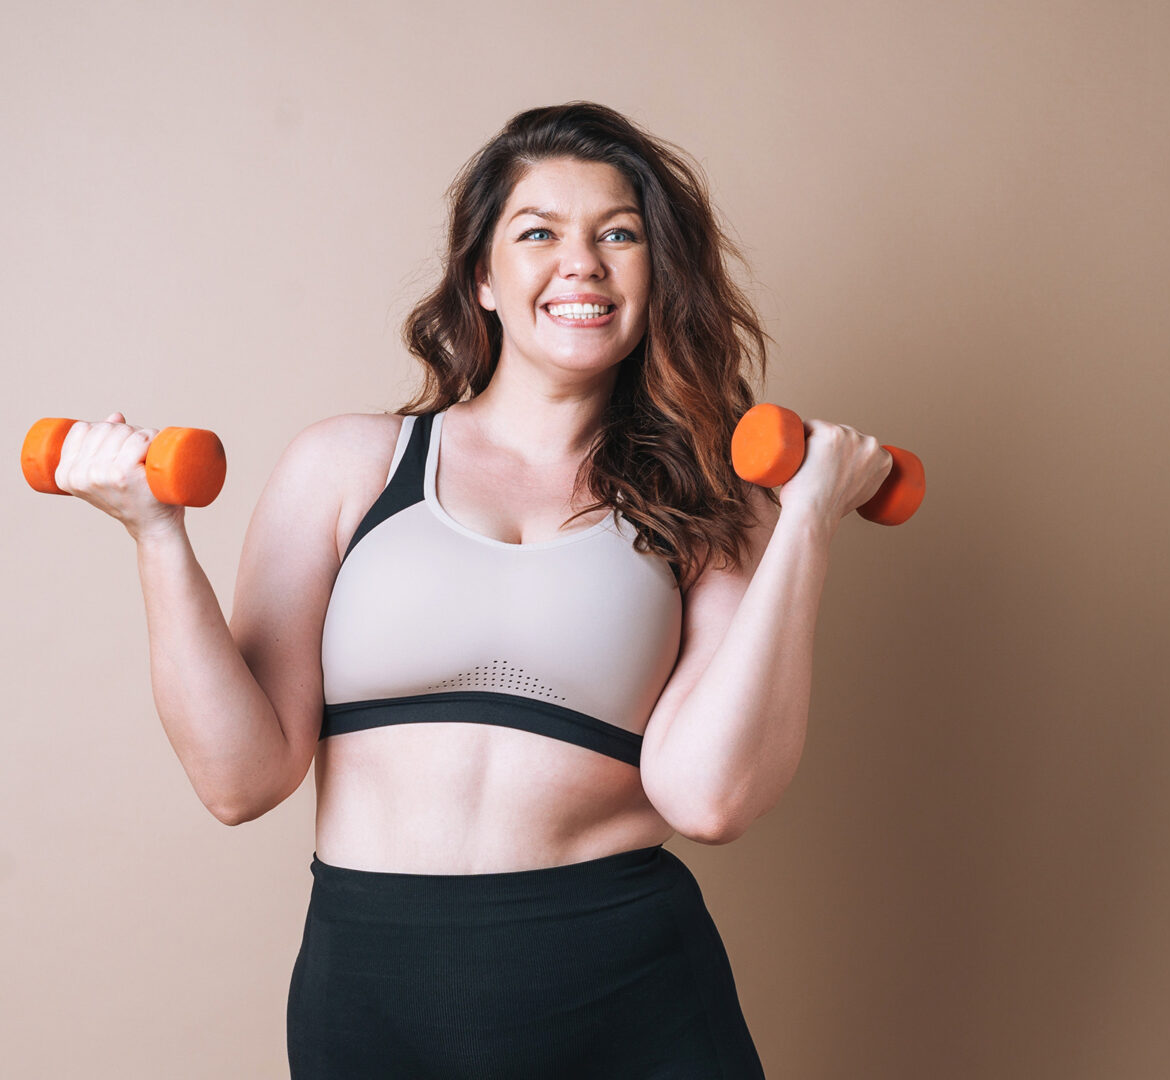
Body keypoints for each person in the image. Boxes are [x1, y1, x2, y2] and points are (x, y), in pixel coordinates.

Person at [53, 101, 893, 1079]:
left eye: (617, 234)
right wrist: (157, 533)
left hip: (630, 988)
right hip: (374, 989)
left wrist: (808, 523)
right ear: (483, 278)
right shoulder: (347, 468)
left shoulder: (708, 504)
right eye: (539, 233)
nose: (581, 262)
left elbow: (709, 798)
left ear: (657, 276)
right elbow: (242, 781)